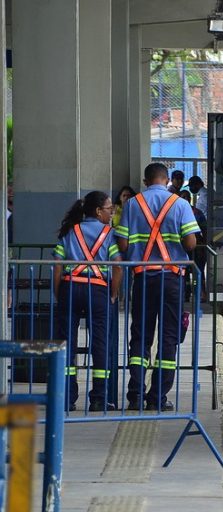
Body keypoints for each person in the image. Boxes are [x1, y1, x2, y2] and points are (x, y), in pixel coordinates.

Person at [116, 163, 199, 411]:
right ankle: (157, 398)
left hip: (142, 278)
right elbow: (191, 243)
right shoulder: (181, 205)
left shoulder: (132, 204)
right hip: (172, 279)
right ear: (166, 180)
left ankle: (135, 394)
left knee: (140, 336)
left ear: (145, 180)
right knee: (169, 336)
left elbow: (122, 244)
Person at [52, 191, 122, 412]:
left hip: (70, 287)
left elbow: (57, 266)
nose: (112, 212)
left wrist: (58, 292)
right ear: (98, 211)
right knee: (100, 343)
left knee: (66, 343)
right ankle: (99, 398)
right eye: (109, 209)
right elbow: (118, 266)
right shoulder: (109, 234)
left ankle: (67, 397)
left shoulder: (70, 231)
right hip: (99, 290)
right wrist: (113, 294)